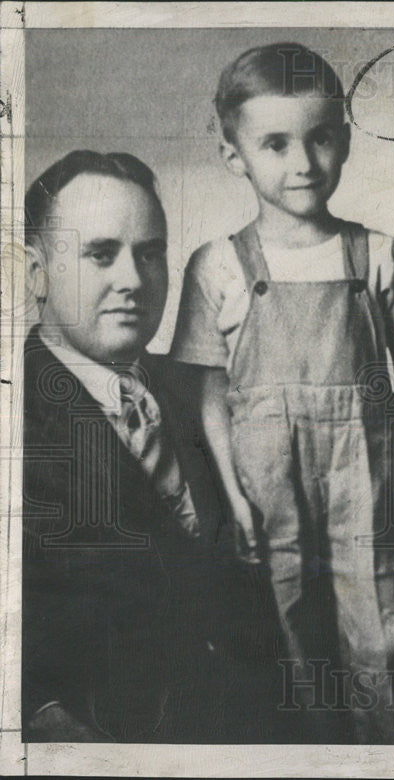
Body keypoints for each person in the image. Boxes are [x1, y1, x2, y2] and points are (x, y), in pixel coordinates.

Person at [169, 43, 394, 743]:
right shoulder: (218, 265)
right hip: (267, 483)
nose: (302, 162)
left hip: (365, 481)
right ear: (233, 154)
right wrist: (235, 497)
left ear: (345, 141)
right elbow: (207, 389)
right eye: (275, 143)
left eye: (320, 138)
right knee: (289, 632)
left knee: (381, 632)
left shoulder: (377, 254)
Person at [21, 151, 229, 741]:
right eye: (100, 254)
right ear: (36, 274)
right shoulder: (13, 417)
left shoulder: (197, 388)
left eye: (150, 253)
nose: (134, 280)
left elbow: (330, 429)